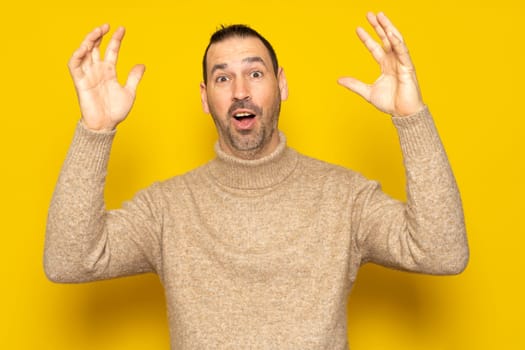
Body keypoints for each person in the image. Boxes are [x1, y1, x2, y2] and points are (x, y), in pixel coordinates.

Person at [44, 12, 469, 349]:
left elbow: (442, 252)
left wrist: (411, 119)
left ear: (281, 85)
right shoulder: (166, 208)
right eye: (223, 77)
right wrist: (95, 131)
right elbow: (70, 260)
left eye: (256, 73)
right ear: (205, 98)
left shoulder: (345, 198)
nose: (241, 91)